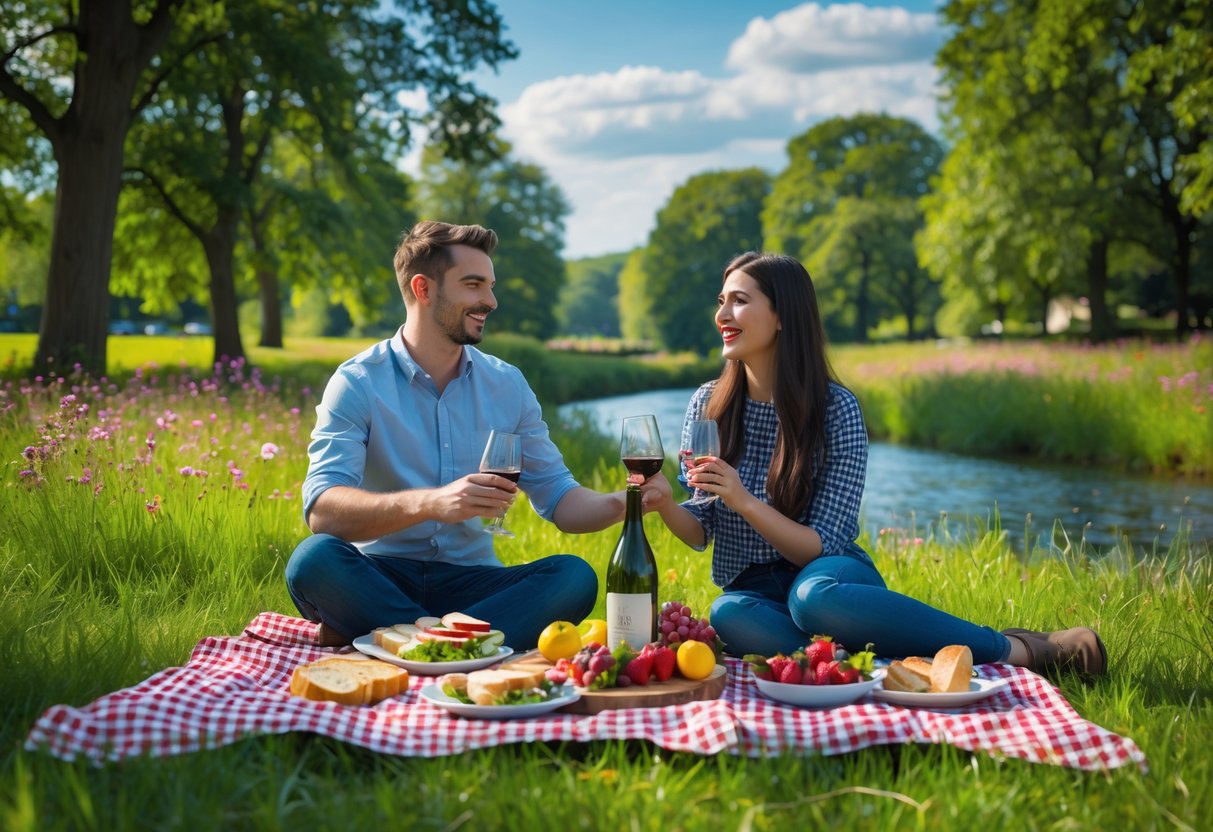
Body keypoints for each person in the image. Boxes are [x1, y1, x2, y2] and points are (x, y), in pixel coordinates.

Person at [640, 251, 1107, 677]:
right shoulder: (708, 405)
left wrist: (742, 500)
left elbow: (818, 549)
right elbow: (701, 528)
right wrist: (665, 504)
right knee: (727, 613)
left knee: (813, 600)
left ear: (782, 316)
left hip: (831, 577)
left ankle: (1018, 649)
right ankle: (888, 667)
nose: (722, 315)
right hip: (755, 593)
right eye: (722, 301)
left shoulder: (835, 410)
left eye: (739, 301)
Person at [285, 220, 628, 649]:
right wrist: (433, 502)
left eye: (490, 286)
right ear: (424, 289)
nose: (490, 300)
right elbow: (323, 510)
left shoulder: (508, 385)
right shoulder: (357, 383)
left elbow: (559, 498)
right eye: (473, 285)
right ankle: (469, 645)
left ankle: (395, 637)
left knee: (573, 577)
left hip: (474, 584)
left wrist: (622, 502)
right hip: (380, 574)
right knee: (313, 560)